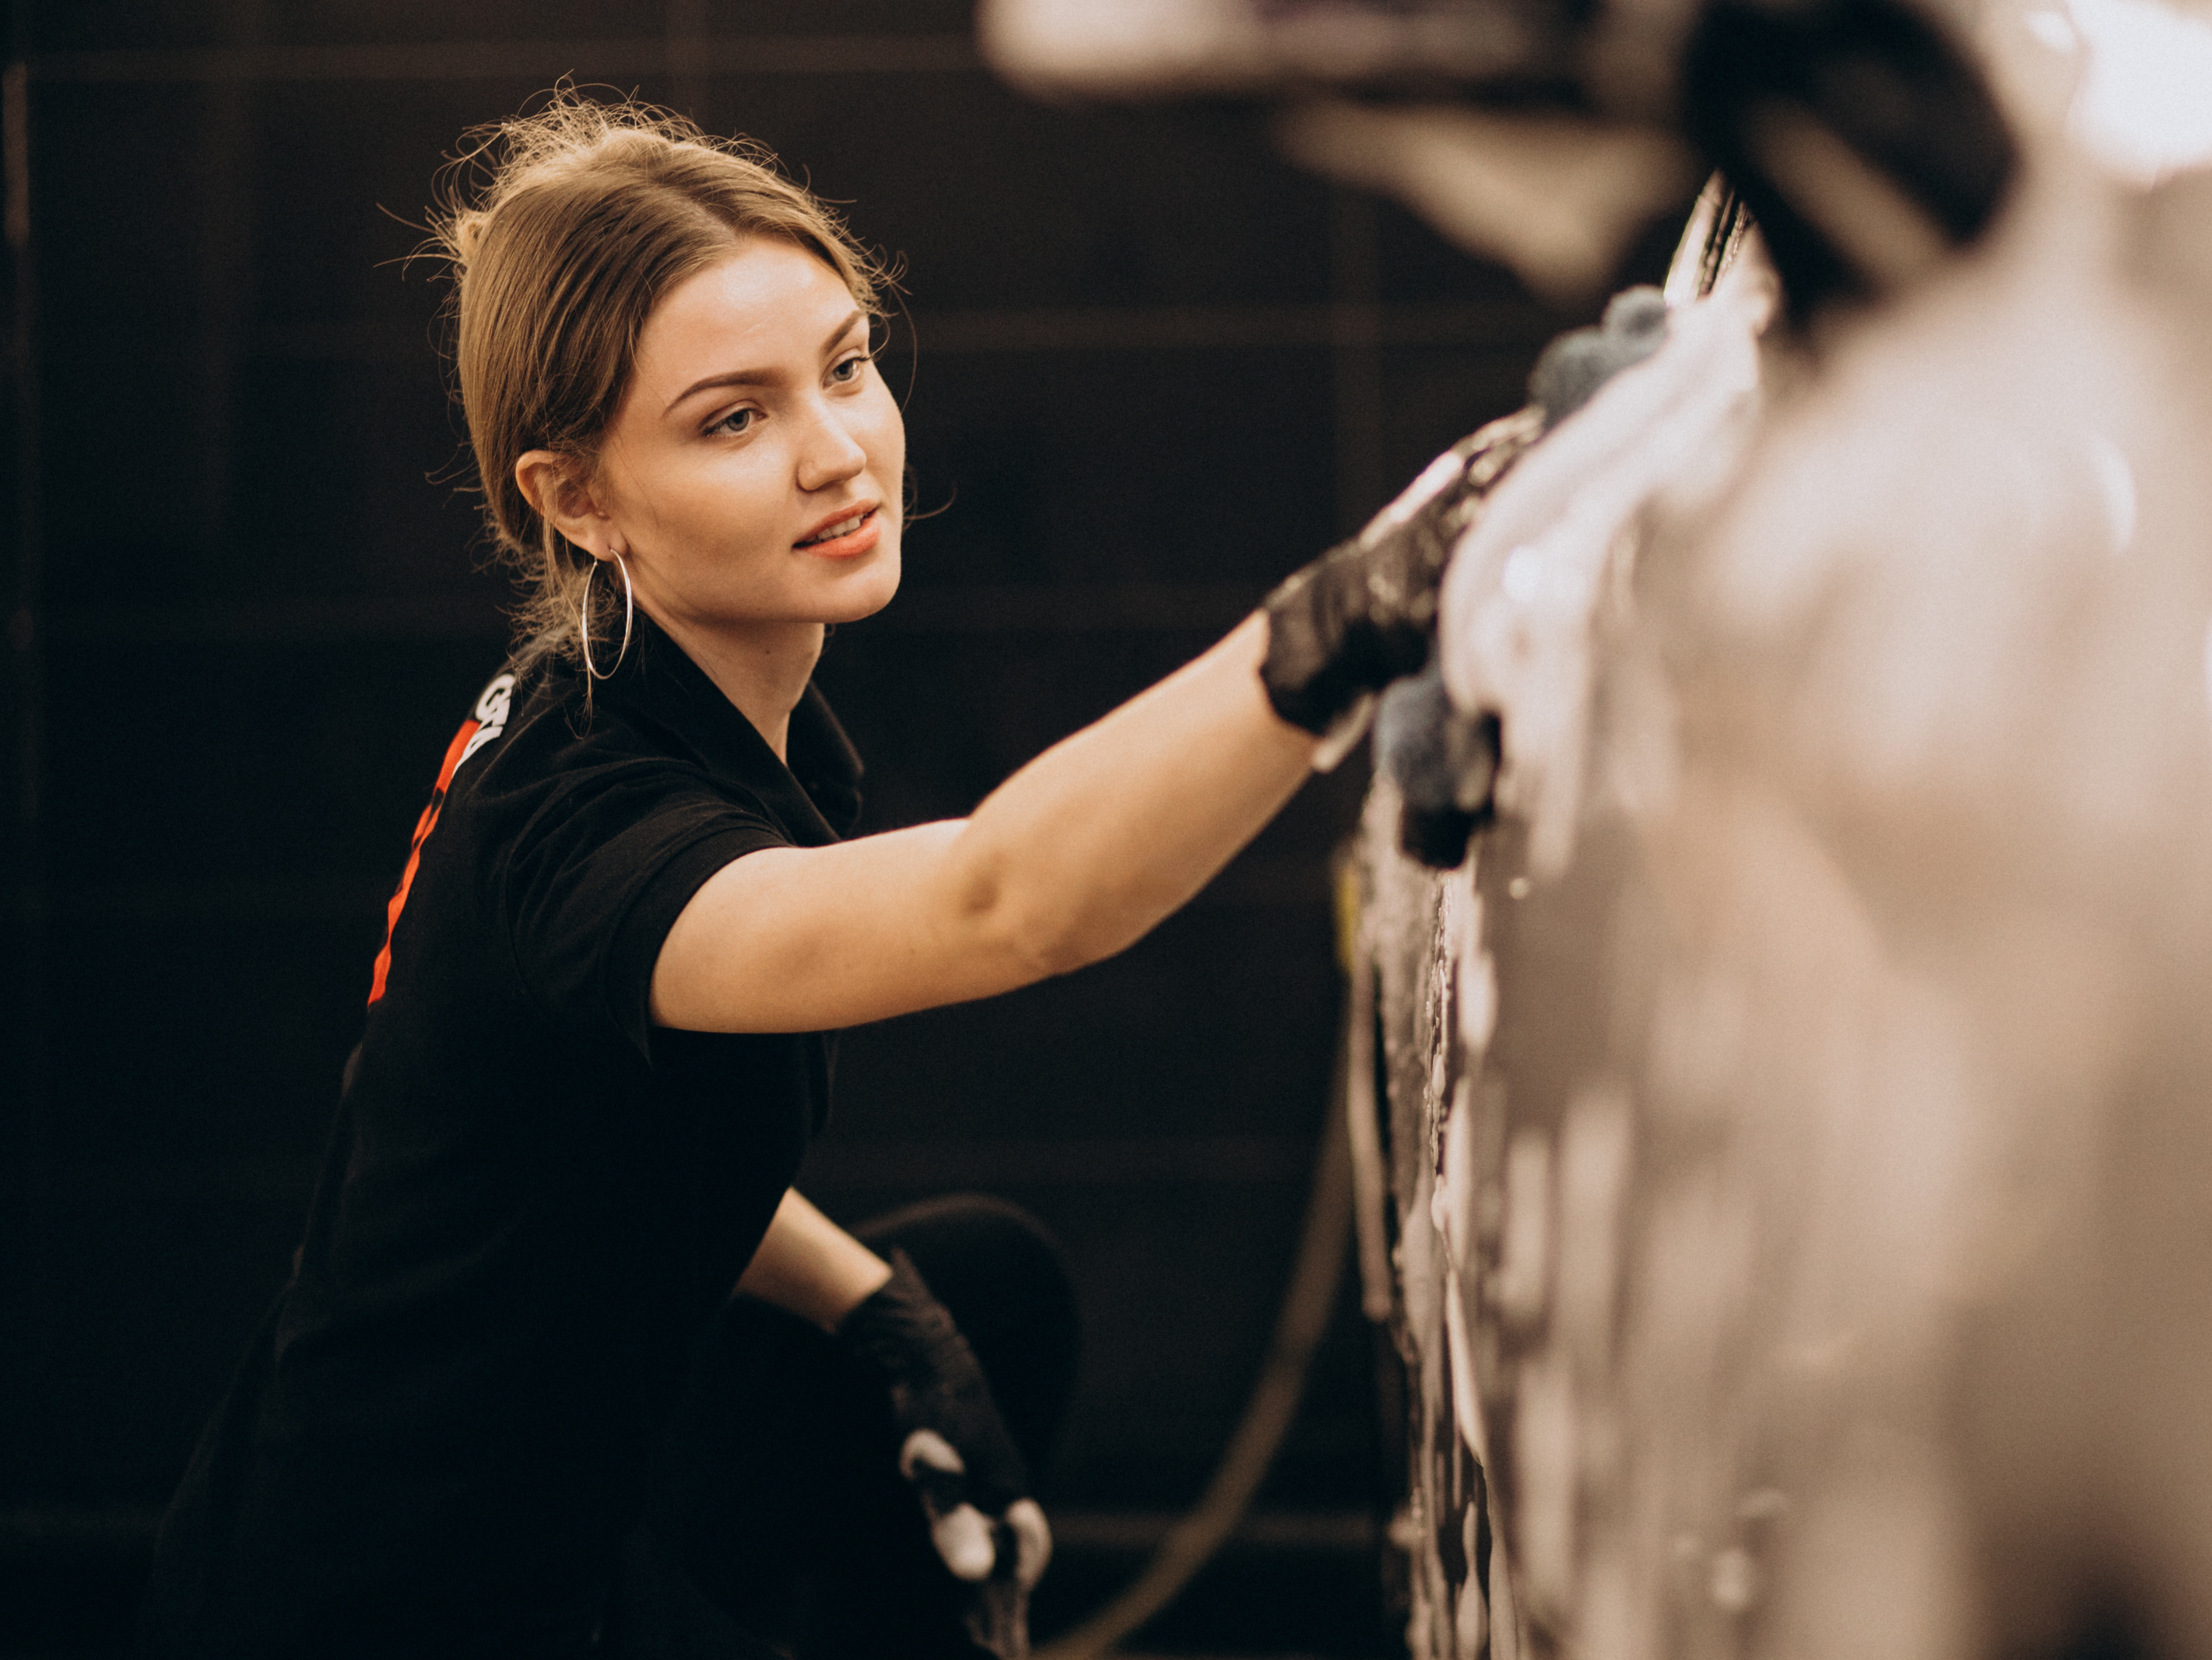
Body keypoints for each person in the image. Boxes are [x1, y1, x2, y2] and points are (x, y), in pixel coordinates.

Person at [134, 93, 1533, 1660]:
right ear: (575, 497)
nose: (837, 451)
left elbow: (568, 1158)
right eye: (734, 418)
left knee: (976, 1288)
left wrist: (878, 1306)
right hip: (389, 1607)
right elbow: (1007, 901)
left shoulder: (704, 715)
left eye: (848, 365)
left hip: (575, 1501)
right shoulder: (584, 821)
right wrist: (1338, 626)